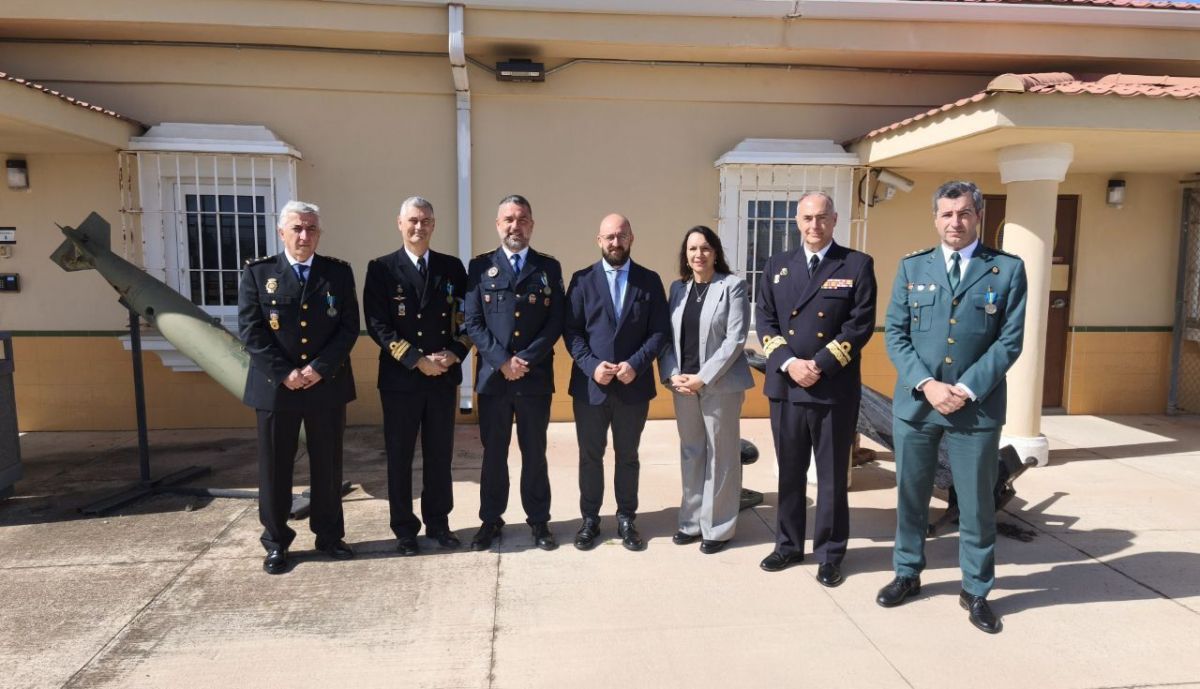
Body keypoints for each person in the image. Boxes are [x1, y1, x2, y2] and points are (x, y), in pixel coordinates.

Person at [879, 180, 1027, 634]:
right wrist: (927, 384)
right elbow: (895, 335)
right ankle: (907, 573)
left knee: (978, 503)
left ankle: (976, 589)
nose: (954, 222)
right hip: (918, 407)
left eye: (963, 213)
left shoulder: (1006, 270)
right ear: (935, 218)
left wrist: (962, 388)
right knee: (911, 496)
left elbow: (1009, 342)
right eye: (946, 214)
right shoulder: (912, 267)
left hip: (975, 410)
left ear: (978, 215)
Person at [755, 191, 877, 586]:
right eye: (807, 218)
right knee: (789, 473)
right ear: (796, 221)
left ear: (835, 220)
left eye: (822, 218)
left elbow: (858, 326)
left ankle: (829, 553)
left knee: (830, 476)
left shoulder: (856, 265)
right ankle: (788, 545)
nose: (814, 226)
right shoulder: (777, 266)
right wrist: (791, 363)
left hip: (832, 389)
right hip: (787, 386)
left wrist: (819, 366)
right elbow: (766, 321)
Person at [238, 200, 360, 575]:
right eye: (297, 228)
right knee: (275, 468)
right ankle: (276, 543)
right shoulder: (259, 274)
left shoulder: (337, 273)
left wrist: (320, 368)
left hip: (326, 385)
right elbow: (251, 330)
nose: (304, 235)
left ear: (319, 233)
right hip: (276, 388)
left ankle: (329, 536)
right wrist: (286, 373)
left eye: (311, 229)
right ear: (281, 232)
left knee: (328, 465)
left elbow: (348, 327)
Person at [363, 196, 472, 556]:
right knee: (400, 455)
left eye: (425, 221)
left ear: (433, 225)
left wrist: (455, 353)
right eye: (412, 220)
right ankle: (404, 529)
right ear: (399, 223)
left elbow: (467, 319)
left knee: (440, 455)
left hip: (442, 378)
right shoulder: (381, 269)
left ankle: (439, 523)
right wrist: (414, 359)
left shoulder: (452, 268)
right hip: (401, 381)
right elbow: (378, 325)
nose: (418, 227)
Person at [463, 195, 565, 551]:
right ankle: (490, 520)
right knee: (493, 455)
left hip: (534, 379)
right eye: (508, 219)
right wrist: (502, 361)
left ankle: (539, 521)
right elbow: (472, 321)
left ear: (531, 225)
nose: (515, 226)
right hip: (494, 379)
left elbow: (555, 321)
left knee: (535, 452)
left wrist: (526, 359)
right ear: (498, 225)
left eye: (521, 219)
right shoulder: (479, 268)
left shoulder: (548, 268)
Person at [563, 213, 669, 551]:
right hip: (590, 387)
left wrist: (636, 365)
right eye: (609, 237)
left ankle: (626, 518)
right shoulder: (581, 281)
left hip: (632, 387)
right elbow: (572, 332)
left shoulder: (649, 281)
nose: (615, 242)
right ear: (598, 240)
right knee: (590, 456)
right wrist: (592, 366)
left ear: (631, 239)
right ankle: (590, 520)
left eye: (621, 236)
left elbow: (659, 332)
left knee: (628, 455)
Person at [658, 226, 754, 554]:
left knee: (722, 455)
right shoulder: (677, 289)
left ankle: (718, 528)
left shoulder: (733, 287)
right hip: (682, 386)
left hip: (721, 385)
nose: (698, 254)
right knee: (692, 452)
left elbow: (736, 339)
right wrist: (672, 375)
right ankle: (690, 521)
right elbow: (667, 337)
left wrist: (703, 376)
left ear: (715, 252)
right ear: (685, 255)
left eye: (705, 248)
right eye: (692, 249)